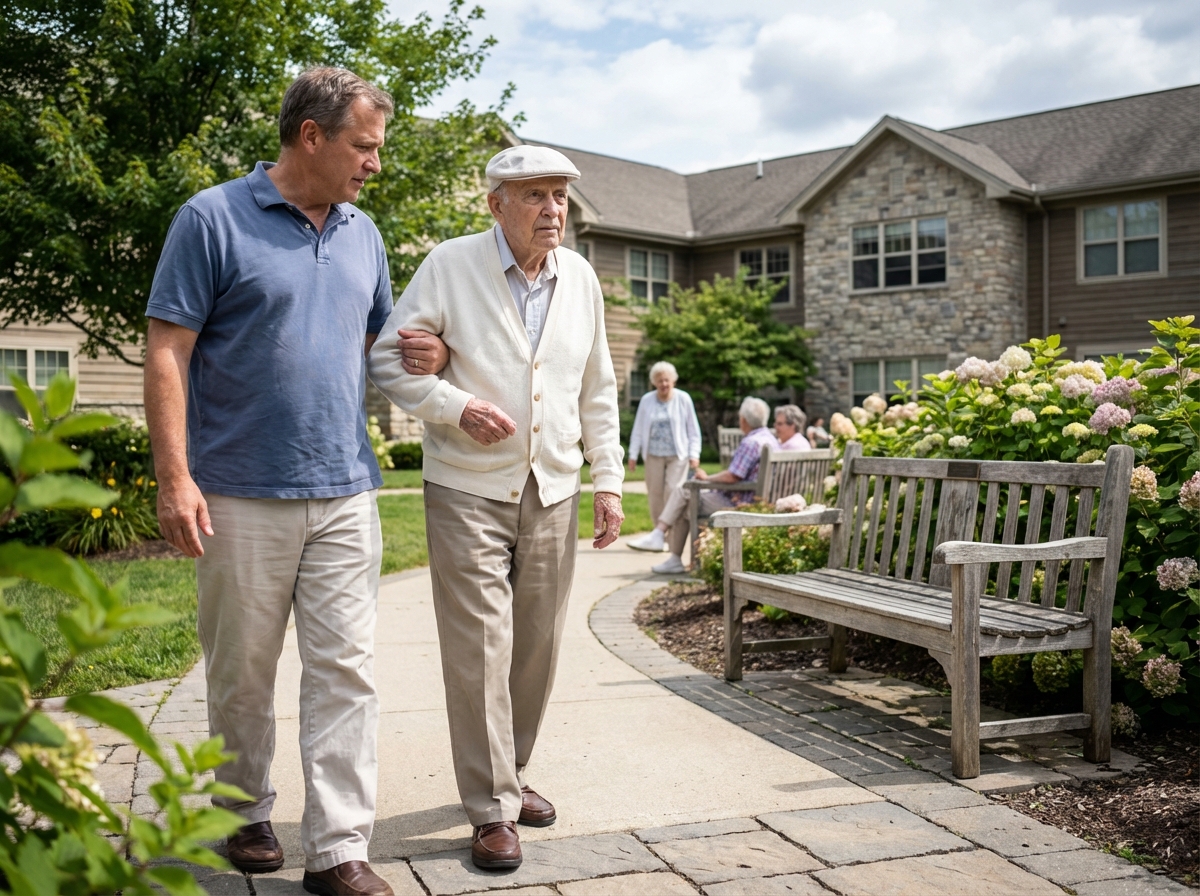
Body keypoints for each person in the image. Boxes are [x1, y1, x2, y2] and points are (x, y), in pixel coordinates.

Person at [143, 68, 448, 896]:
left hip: (346, 486)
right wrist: (175, 476)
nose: (374, 165)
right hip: (238, 488)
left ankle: (340, 847)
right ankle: (241, 810)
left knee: (347, 668)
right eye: (364, 146)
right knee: (242, 669)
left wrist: (429, 353)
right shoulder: (211, 218)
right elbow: (167, 347)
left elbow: (385, 340)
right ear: (310, 136)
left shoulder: (364, 232)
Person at [366, 145, 624, 872]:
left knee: (536, 646)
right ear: (496, 204)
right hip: (466, 490)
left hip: (554, 488)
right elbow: (388, 358)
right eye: (535, 196)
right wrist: (454, 405)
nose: (552, 211)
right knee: (481, 646)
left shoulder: (580, 278)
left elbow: (597, 387)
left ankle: (508, 775)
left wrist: (608, 480)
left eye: (560, 198)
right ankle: (488, 808)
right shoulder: (449, 265)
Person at [630, 397, 778, 573]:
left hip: (739, 503)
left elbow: (733, 476)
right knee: (684, 504)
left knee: (684, 493)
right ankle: (670, 551)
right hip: (757, 499)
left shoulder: (751, 442)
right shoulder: (771, 439)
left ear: (743, 419)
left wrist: (707, 479)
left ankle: (662, 536)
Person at [626, 361, 701, 549]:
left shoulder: (683, 399)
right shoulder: (646, 400)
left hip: (678, 455)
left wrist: (694, 454)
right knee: (655, 494)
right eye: (659, 381)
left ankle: (671, 535)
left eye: (666, 380)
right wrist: (633, 454)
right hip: (653, 454)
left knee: (673, 491)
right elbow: (638, 429)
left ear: (673, 380)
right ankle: (658, 536)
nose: (663, 384)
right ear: (654, 382)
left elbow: (693, 430)